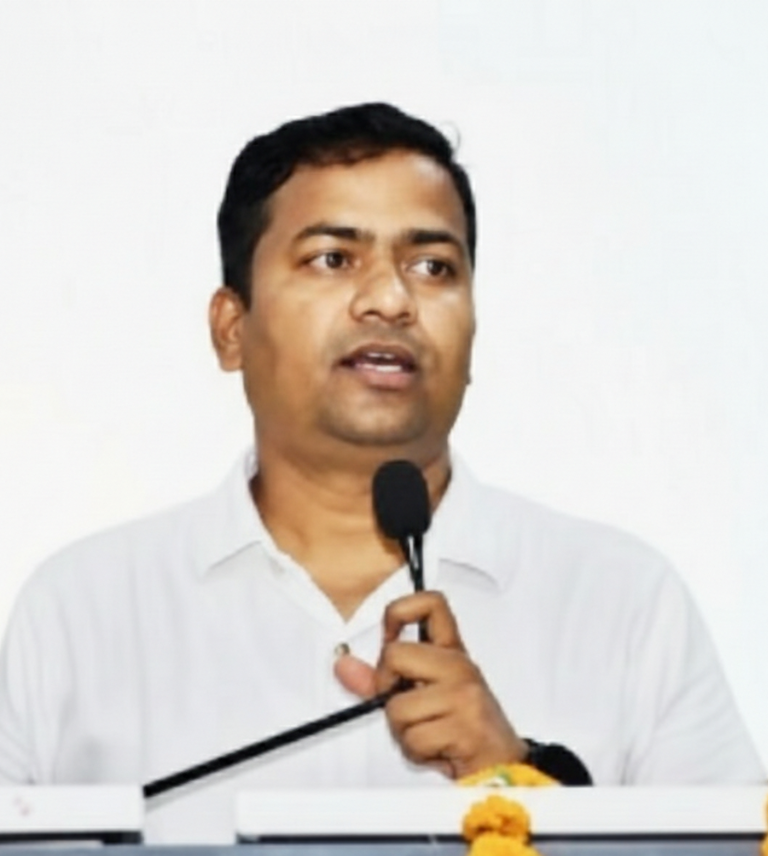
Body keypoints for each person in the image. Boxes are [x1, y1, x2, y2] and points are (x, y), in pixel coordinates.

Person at [0, 103, 762, 842]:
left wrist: (517, 779)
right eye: (333, 259)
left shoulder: (622, 603)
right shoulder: (81, 611)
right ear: (232, 329)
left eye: (433, 266)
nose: (392, 300)